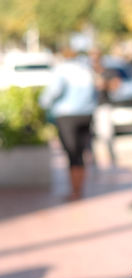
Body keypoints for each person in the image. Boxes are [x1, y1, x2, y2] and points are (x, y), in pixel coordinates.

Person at [40, 48, 97, 200]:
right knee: (81, 153)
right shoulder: (85, 69)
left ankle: (75, 191)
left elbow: (53, 92)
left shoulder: (62, 70)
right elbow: (94, 93)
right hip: (86, 114)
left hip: (67, 115)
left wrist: (43, 104)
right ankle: (79, 189)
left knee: (72, 154)